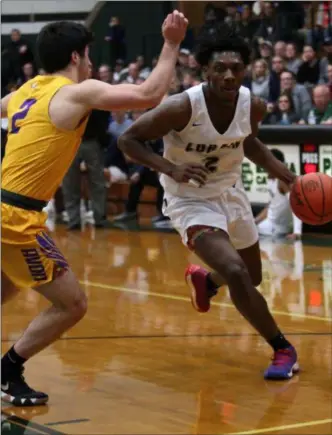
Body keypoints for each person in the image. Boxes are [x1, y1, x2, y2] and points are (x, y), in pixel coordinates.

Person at [1, 12, 188, 406]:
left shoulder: (25, 91)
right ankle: (7, 371)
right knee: (72, 304)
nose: (90, 64)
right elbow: (149, 95)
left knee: (6, 287)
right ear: (75, 57)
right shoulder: (74, 93)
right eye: (87, 56)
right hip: (16, 218)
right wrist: (171, 43)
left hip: (8, 208)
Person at [118, 24, 299, 380]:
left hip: (231, 193)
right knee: (237, 271)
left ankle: (207, 282)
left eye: (236, 68)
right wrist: (170, 167)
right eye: (220, 68)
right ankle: (282, 348)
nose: (229, 75)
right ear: (205, 70)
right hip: (189, 199)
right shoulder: (181, 107)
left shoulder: (253, 105)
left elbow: (248, 143)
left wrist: (288, 176)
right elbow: (129, 140)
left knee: (253, 278)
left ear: (245, 70)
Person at [255, 148, 302, 239]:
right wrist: (254, 221)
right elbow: (270, 206)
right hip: (270, 224)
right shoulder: (269, 179)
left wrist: (297, 232)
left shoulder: (282, 181)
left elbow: (296, 205)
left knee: (244, 233)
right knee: (246, 228)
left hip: (278, 228)